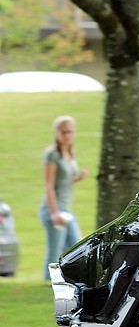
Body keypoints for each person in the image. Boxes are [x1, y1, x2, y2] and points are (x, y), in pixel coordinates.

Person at [39, 115, 88, 280]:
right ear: (57, 132)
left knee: (77, 247)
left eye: (70, 132)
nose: (67, 135)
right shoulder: (52, 155)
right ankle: (49, 282)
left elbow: (64, 182)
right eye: (64, 132)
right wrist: (54, 213)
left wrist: (79, 178)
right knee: (55, 250)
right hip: (53, 209)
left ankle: (73, 280)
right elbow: (49, 185)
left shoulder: (69, 153)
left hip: (66, 210)